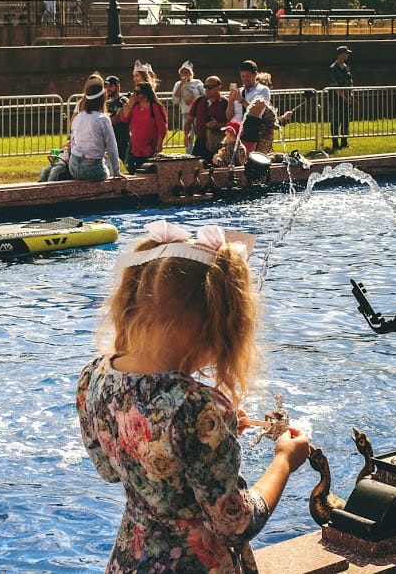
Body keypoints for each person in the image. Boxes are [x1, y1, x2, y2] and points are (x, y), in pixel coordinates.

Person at [76, 219, 312, 572]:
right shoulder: (199, 406)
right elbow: (235, 524)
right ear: (216, 326)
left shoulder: (94, 376)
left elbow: (110, 470)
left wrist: (208, 437)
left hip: (130, 560)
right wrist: (284, 460)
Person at [66, 75, 120, 181]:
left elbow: (73, 141)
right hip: (92, 168)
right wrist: (117, 172)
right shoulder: (103, 119)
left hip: (73, 166)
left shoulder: (78, 117)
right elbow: (112, 147)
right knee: (108, 164)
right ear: (102, 98)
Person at [118, 81, 167, 174]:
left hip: (149, 147)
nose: (135, 95)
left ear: (146, 94)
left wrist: (159, 143)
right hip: (134, 145)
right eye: (134, 92)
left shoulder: (155, 107)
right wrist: (129, 105)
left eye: (138, 93)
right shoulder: (134, 106)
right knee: (131, 169)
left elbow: (162, 127)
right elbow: (123, 119)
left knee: (146, 171)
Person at [185, 76, 230, 165]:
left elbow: (231, 123)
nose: (207, 90)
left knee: (215, 168)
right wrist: (186, 135)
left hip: (217, 143)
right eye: (205, 87)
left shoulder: (226, 103)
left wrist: (219, 125)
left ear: (219, 87)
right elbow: (189, 119)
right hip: (200, 141)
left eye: (210, 87)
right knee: (195, 167)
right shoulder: (199, 101)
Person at [172, 61, 205, 152]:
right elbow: (175, 100)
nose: (184, 74)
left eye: (186, 72)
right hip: (186, 113)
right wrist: (181, 85)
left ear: (191, 73)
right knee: (188, 135)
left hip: (198, 113)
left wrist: (194, 99)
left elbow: (205, 95)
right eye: (182, 72)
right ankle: (189, 153)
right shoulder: (177, 84)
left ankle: (199, 152)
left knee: (199, 134)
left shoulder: (197, 82)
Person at [329, 45, 354, 151]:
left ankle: (344, 142)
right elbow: (335, 87)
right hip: (336, 99)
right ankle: (335, 143)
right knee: (336, 121)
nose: (347, 55)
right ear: (341, 54)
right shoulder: (333, 68)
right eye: (346, 53)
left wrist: (351, 93)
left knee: (345, 121)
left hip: (347, 98)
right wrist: (344, 98)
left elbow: (351, 81)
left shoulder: (346, 67)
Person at [104, 75, 130, 171]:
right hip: (110, 139)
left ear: (117, 87)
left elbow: (117, 119)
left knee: (129, 166)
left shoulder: (123, 100)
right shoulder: (106, 103)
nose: (108, 89)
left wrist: (107, 121)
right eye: (106, 86)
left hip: (122, 139)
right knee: (109, 167)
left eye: (110, 86)